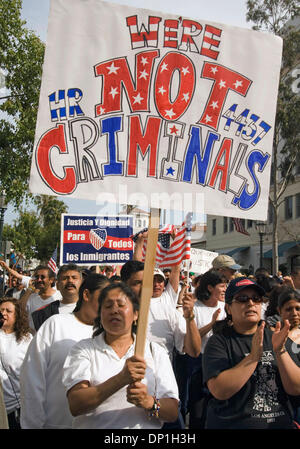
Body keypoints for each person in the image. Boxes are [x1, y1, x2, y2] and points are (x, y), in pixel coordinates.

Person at [62, 282, 179, 429]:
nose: (114, 310)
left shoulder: (155, 351)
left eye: (121, 305)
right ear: (100, 314)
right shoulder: (83, 350)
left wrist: (149, 402)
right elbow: (76, 405)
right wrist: (121, 379)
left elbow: (173, 412)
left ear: (136, 314)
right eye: (108, 306)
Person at [203, 277, 300, 429]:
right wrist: (253, 357)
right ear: (228, 308)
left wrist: (280, 351)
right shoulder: (219, 342)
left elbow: (296, 388)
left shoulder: (277, 337)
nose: (251, 303)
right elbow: (219, 390)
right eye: (242, 299)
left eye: (256, 299)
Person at [20, 273, 110, 429]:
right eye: (104, 297)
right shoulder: (56, 324)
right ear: (87, 294)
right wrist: (33, 424)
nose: (110, 305)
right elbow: (32, 377)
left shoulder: (111, 334)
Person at [176, 270, 227, 427]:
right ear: (210, 288)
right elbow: (191, 341)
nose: (225, 289)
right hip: (197, 364)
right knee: (196, 411)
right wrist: (212, 324)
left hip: (220, 364)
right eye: (222, 286)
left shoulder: (226, 307)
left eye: (226, 286)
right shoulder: (194, 308)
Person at [0, 298, 32, 429]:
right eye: (1, 310)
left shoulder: (27, 339)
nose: (3, 313)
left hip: (17, 407)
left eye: (8, 311)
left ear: (17, 315)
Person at [31, 264, 83, 331]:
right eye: (65, 278)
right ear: (57, 285)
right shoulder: (42, 314)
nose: (70, 281)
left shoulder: (94, 310)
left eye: (74, 277)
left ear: (82, 284)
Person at [276, 288, 300, 423]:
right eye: (289, 309)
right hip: (283, 402)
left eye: (298, 308)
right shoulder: (272, 335)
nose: (294, 314)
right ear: (279, 311)